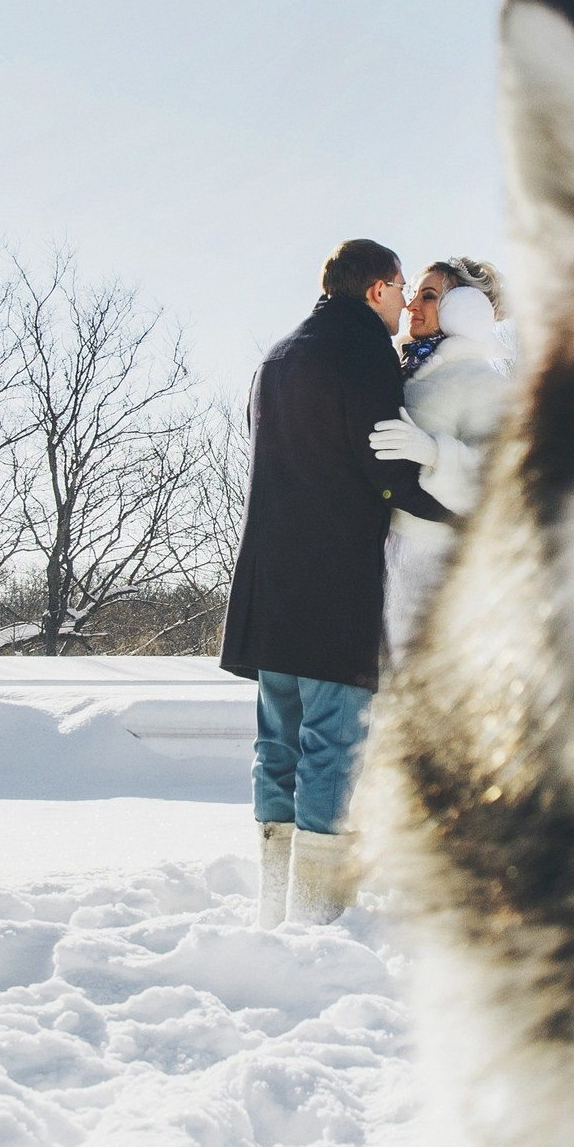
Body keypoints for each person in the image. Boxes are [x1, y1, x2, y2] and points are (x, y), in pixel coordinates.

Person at [220, 238, 452, 927]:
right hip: (332, 585)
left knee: (277, 746)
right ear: (377, 287)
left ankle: (272, 906)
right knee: (332, 744)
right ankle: (317, 916)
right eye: (401, 287)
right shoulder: (361, 352)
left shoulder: (280, 354)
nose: (405, 302)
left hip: (270, 584)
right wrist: (467, 505)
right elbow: (388, 468)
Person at [373, 259, 514, 650]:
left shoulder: (483, 384)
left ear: (464, 309)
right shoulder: (396, 371)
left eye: (429, 296)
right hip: (380, 558)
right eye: (414, 293)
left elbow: (498, 482)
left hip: (437, 565)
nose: (410, 305)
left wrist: (435, 453)